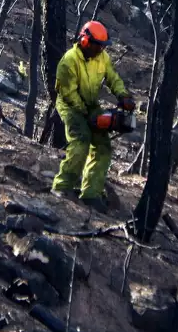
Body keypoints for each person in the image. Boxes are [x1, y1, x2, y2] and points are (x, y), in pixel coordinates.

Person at [51, 20, 134, 212]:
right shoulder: (69, 61)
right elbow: (69, 94)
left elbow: (112, 77)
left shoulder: (102, 57)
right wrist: (89, 117)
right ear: (86, 41)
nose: (101, 50)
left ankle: (91, 194)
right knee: (81, 140)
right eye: (98, 45)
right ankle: (62, 186)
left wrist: (123, 95)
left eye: (103, 46)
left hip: (90, 104)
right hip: (70, 105)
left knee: (103, 147)